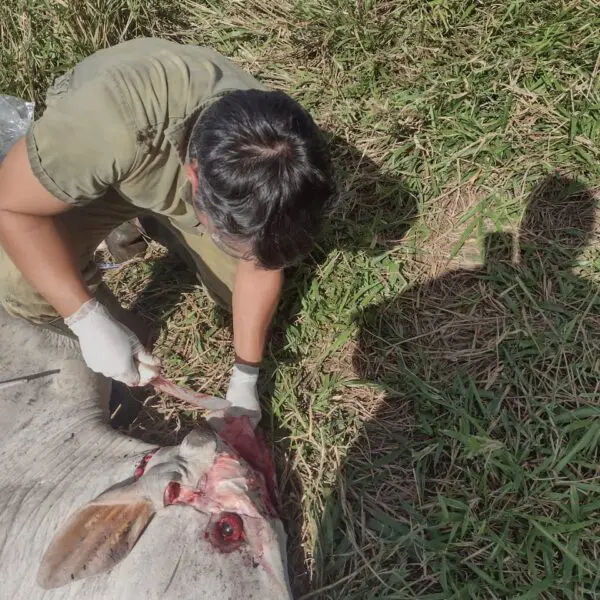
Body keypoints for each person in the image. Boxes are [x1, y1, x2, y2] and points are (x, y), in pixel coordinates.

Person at [0, 38, 336, 424]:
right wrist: (86, 318)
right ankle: (122, 315)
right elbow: (11, 205)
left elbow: (261, 260)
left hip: (162, 171)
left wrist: (245, 379)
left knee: (240, 299)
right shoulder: (103, 125)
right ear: (192, 179)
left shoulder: (285, 157)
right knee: (21, 281)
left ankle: (151, 220)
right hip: (112, 158)